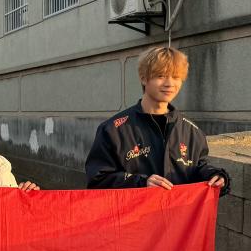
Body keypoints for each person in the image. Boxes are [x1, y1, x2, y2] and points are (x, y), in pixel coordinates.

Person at [85, 46, 228, 192]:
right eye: (161, 76)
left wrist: (214, 176)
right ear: (143, 78)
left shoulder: (192, 131)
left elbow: (198, 168)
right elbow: (98, 179)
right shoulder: (113, 130)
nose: (170, 84)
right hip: (136, 207)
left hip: (178, 208)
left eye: (176, 77)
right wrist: (141, 183)